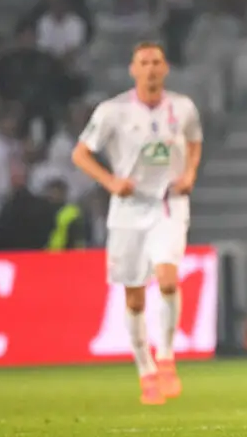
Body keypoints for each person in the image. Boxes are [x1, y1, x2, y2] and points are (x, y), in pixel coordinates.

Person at [71, 42, 203, 405]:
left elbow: (194, 142)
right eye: (144, 62)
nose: (151, 69)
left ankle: (166, 358)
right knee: (133, 296)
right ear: (133, 69)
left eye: (157, 62)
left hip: (168, 203)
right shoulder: (113, 111)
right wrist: (112, 182)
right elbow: (80, 154)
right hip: (128, 210)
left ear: (166, 67)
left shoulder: (183, 107)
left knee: (167, 277)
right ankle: (145, 369)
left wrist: (190, 173)